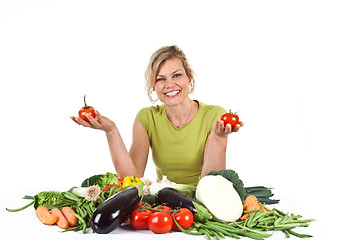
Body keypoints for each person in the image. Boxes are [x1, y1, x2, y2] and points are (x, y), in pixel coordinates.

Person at [71, 45, 244, 186]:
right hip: (165, 205)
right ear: (154, 86)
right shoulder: (146, 118)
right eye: (161, 79)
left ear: (189, 78)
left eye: (177, 75)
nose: (170, 84)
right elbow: (132, 179)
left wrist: (219, 138)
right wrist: (111, 131)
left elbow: (211, 185)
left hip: (201, 205)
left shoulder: (213, 115)